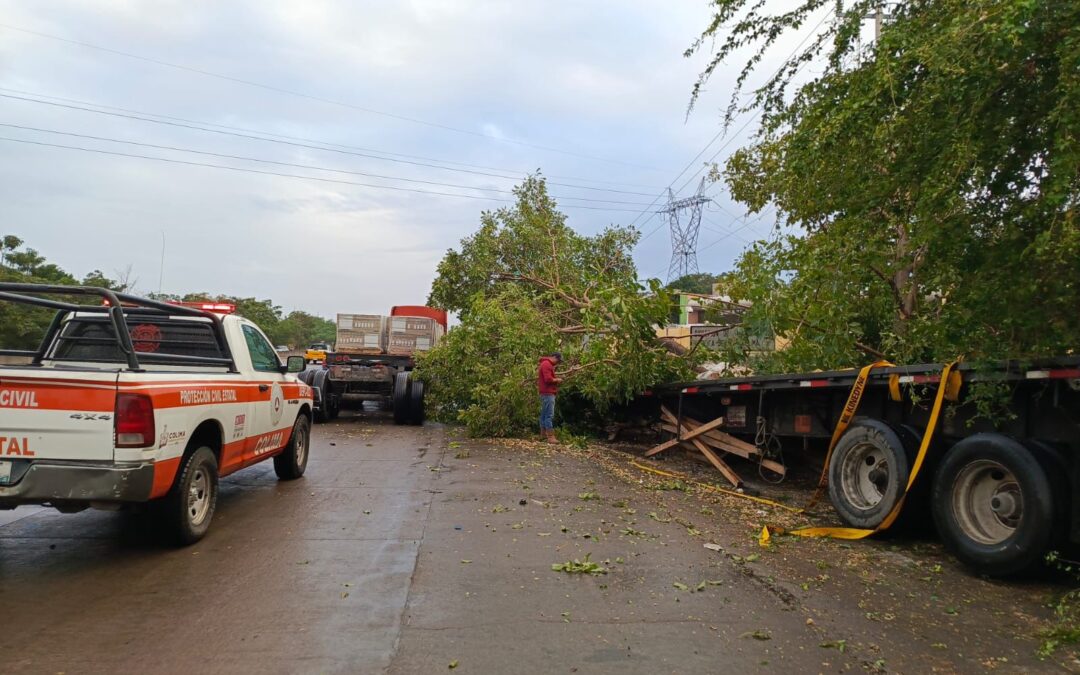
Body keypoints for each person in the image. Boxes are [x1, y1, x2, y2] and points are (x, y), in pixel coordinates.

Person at [537, 352, 563, 443]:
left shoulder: (545, 363)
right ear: (554, 357)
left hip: (545, 392)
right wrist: (557, 380)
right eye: (558, 361)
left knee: (544, 414)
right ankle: (550, 437)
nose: (558, 363)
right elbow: (548, 379)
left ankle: (543, 435)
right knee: (549, 415)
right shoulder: (547, 364)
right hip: (548, 393)